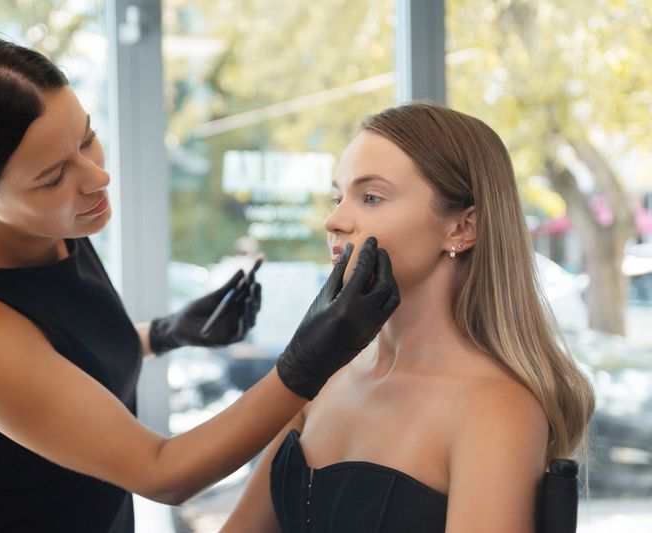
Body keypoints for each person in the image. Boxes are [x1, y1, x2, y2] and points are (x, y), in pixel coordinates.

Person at [0, 34, 401, 532]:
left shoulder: (50, 225)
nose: (95, 177)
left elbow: (67, 358)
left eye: (87, 138)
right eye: (54, 176)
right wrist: (307, 363)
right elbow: (162, 471)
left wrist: (171, 332)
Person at [222, 103, 596, 533]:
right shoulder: (320, 377)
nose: (335, 219)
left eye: (371, 197)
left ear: (462, 227)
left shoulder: (495, 408)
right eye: (337, 196)